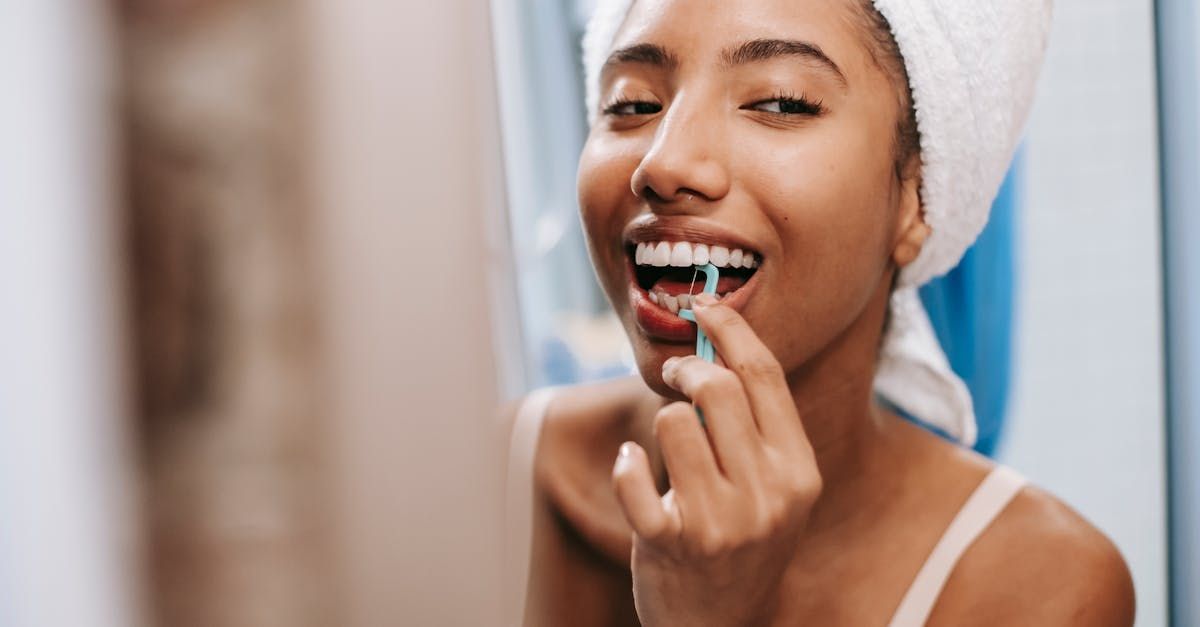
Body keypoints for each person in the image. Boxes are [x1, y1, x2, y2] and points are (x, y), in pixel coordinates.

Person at [504, 1, 1136, 624]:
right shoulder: (487, 470)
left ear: (918, 196)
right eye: (633, 104)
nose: (662, 165)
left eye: (779, 103)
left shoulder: (1047, 588)